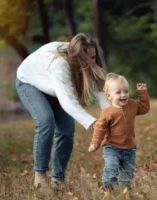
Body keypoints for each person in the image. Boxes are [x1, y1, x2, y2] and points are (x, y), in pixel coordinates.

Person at [15, 33, 110, 193]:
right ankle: (40, 178)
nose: (91, 63)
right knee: (46, 121)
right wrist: (94, 123)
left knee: (66, 129)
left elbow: (100, 91)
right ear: (77, 56)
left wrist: (111, 118)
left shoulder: (88, 61)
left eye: (93, 58)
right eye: (87, 59)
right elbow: (68, 102)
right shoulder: (60, 64)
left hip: (53, 88)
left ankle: (57, 180)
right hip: (29, 82)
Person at [88, 73, 150, 192]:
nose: (123, 95)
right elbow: (100, 128)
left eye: (126, 91)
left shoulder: (132, 105)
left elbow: (144, 108)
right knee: (111, 168)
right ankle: (108, 189)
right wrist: (95, 143)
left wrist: (142, 93)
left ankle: (126, 192)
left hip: (129, 148)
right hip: (112, 147)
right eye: (118, 92)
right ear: (109, 95)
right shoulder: (107, 112)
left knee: (127, 173)